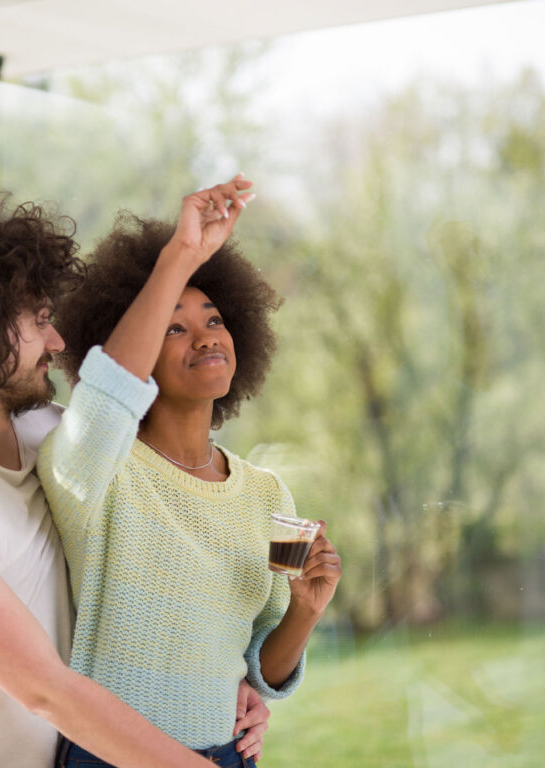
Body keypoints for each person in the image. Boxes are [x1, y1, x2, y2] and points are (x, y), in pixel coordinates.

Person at [0, 197, 268, 768]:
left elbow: (109, 401)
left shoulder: (40, 431)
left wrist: (225, 688)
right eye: (39, 322)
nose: (57, 344)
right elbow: (46, 690)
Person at [38, 175, 343, 768]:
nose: (205, 338)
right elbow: (105, 397)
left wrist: (306, 609)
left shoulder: (269, 492)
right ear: (138, 342)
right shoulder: (97, 467)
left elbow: (263, 666)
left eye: (214, 319)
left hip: (227, 757)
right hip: (112, 758)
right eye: (173, 327)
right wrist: (181, 255)